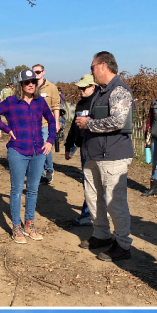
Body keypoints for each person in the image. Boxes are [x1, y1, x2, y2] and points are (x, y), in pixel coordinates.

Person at [74, 51, 135, 262]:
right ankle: (101, 234)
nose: (91, 71)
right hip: (94, 153)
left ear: (103, 66)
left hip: (112, 155)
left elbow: (118, 121)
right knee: (93, 197)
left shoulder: (119, 91)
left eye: (92, 67)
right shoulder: (101, 92)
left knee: (114, 202)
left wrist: (88, 123)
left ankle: (122, 244)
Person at [0, 69, 55, 244]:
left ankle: (29, 224)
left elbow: (52, 121)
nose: (31, 84)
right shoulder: (11, 102)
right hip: (17, 150)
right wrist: (7, 129)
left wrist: (50, 140)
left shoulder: (40, 102)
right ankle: (16, 227)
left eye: (33, 81)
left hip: (38, 150)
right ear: (21, 85)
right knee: (16, 190)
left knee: (33, 189)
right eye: (27, 82)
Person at [64, 74, 97, 225]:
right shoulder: (80, 104)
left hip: (95, 147)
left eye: (84, 88)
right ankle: (91, 213)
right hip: (83, 146)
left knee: (95, 182)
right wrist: (69, 145)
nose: (81, 91)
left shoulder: (97, 103)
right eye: (80, 88)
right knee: (88, 181)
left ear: (93, 87)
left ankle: (90, 214)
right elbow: (74, 127)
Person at [33, 64, 60, 185]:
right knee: (37, 148)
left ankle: (48, 170)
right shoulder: (30, 86)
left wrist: (57, 123)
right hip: (33, 124)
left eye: (38, 72)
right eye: (34, 72)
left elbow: (56, 106)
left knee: (44, 147)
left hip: (46, 123)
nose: (36, 74)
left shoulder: (51, 88)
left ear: (44, 72)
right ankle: (40, 174)